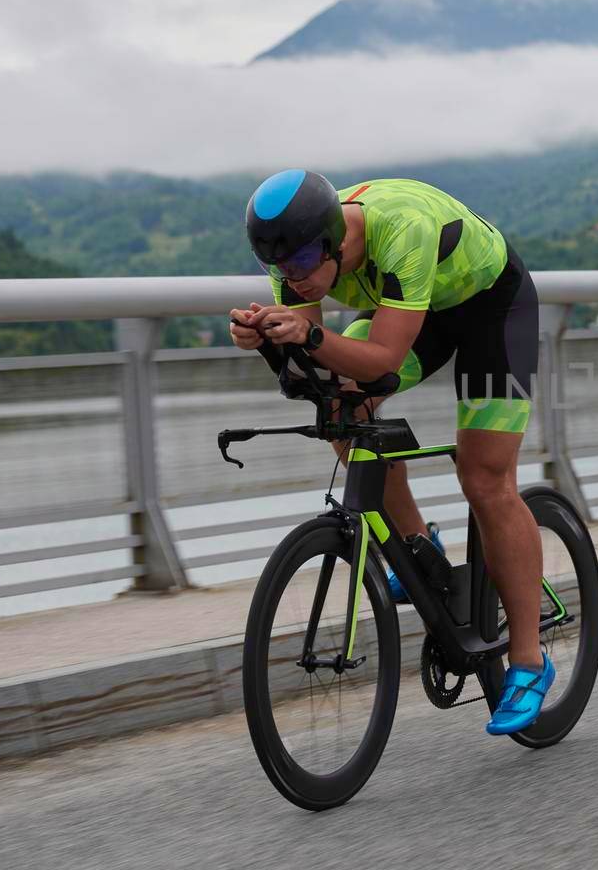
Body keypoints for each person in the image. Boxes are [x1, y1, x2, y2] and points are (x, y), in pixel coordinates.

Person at [228, 169, 551, 735]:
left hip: (492, 312)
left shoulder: (401, 229)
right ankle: (420, 548)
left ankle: (527, 661)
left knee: (483, 480)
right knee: (339, 407)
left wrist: (305, 337)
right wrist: (268, 338)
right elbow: (318, 363)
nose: (293, 280)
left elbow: (379, 358)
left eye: (303, 265)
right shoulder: (295, 257)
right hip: (414, 312)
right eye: (276, 269)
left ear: (335, 240)